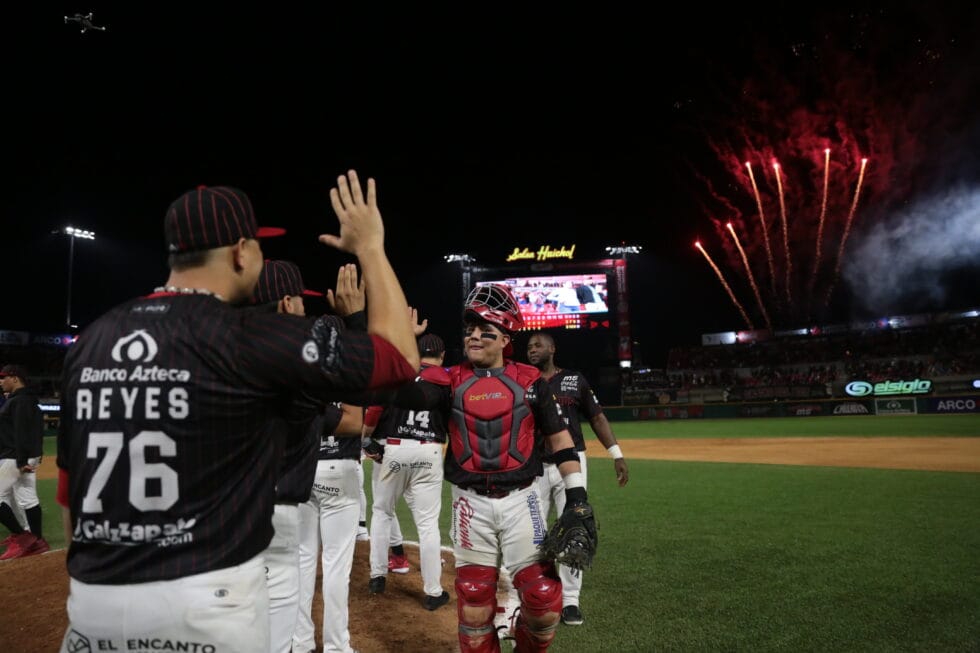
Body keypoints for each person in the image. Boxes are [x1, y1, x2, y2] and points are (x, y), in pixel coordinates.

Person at [56, 171, 419, 653]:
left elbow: (69, 492)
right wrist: (371, 247)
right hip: (205, 605)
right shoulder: (249, 335)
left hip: (93, 606)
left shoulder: (93, 339)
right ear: (241, 252)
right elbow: (398, 359)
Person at [390, 283, 597, 652]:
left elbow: (561, 440)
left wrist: (577, 496)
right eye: (468, 331)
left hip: (523, 500)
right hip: (470, 504)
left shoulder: (532, 382)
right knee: (473, 604)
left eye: (484, 331)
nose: (473, 337)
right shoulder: (448, 380)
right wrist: (405, 342)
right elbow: (406, 391)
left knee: (544, 603)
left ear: (504, 339)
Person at [526, 331, 628, 625]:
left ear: (552, 349)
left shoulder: (574, 380)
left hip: (571, 464)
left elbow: (596, 417)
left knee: (575, 530)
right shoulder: (523, 382)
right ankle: (537, 591)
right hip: (534, 466)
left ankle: (570, 601)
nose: (532, 350)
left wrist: (616, 454)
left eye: (538, 345)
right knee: (532, 532)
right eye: (529, 346)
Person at [363, 332, 450, 610]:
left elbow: (375, 408)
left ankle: (377, 576)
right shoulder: (446, 381)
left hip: (394, 449)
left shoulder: (400, 376)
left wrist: (366, 439)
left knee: (382, 512)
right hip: (429, 451)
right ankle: (433, 592)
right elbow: (451, 421)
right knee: (427, 525)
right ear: (442, 356)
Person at [0, 364, 48, 559]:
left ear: (15, 378)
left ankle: (22, 537)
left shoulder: (20, 401)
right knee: (27, 498)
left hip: (16, 456)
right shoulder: (25, 400)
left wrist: (21, 460)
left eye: (3, 377)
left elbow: (21, 431)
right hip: (24, 455)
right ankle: (37, 541)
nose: (0, 381)